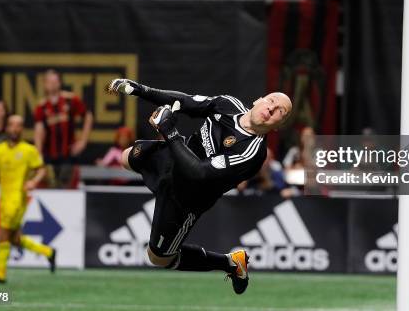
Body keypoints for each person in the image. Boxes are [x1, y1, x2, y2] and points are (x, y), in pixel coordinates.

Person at [106, 78, 292, 294]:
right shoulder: (228, 104)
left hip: (185, 198)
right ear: (258, 100)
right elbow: (184, 101)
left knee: (158, 258)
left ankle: (231, 263)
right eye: (271, 100)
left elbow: (199, 173)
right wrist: (140, 90)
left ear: (278, 126)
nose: (272, 107)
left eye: (281, 111)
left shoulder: (252, 153)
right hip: (173, 158)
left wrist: (169, 130)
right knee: (125, 157)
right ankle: (160, 172)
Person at [0, 115, 56, 284]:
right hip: (3, 198)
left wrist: (33, 181)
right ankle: (48, 252)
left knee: (3, 234)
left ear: (22, 129)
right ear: (7, 128)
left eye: (18, 125)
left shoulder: (28, 150)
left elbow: (41, 170)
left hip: (18, 199)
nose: (15, 128)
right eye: (12, 125)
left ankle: (0, 275)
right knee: (14, 239)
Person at [34, 69, 93, 188]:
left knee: (68, 188)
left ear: (60, 83)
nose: (53, 84)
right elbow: (38, 132)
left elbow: (88, 116)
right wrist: (38, 154)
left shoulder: (70, 100)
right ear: (45, 84)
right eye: (50, 82)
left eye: (55, 81)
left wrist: (83, 141)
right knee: (50, 188)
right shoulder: (42, 106)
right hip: (48, 156)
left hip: (68, 155)